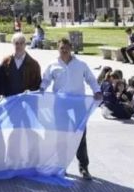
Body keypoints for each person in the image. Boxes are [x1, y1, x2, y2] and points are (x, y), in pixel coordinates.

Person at [40, 38, 102, 180]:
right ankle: (61, 166)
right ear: (58, 49)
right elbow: (46, 80)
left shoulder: (81, 65)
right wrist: (42, 88)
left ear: (71, 48)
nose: (64, 50)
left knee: (80, 135)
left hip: (77, 105)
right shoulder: (53, 65)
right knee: (61, 136)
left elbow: (91, 79)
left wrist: (97, 91)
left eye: (66, 48)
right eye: (62, 48)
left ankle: (84, 167)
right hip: (60, 105)